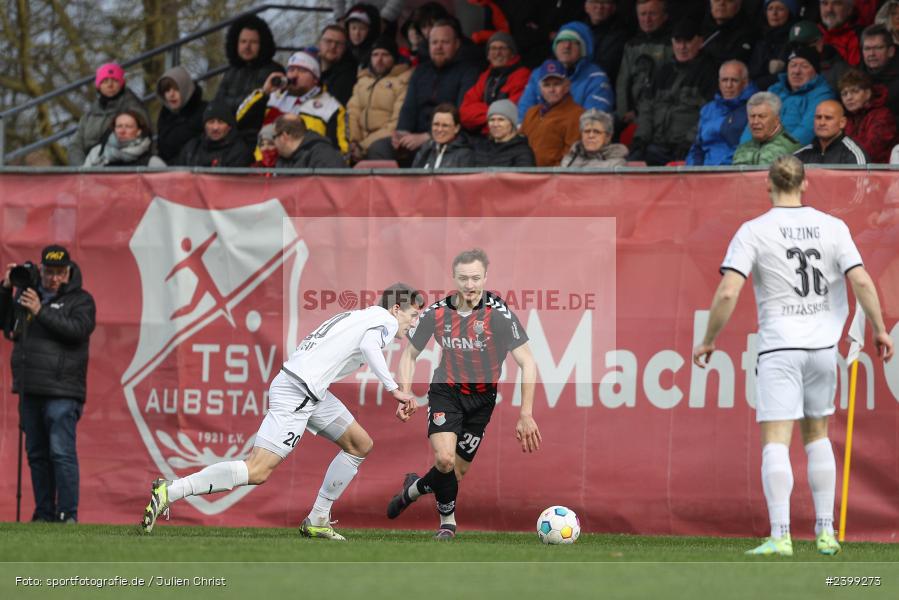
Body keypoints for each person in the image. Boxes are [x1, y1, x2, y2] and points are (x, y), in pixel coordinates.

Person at [692, 155, 894, 557]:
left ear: (768, 185)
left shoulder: (753, 231)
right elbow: (862, 281)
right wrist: (880, 329)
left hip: (780, 346)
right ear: (805, 184)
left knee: (776, 441)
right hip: (822, 348)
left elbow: (729, 291)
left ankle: (781, 534)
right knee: (817, 436)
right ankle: (825, 532)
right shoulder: (833, 227)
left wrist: (708, 338)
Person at [141, 284, 424, 539]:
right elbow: (368, 345)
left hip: (309, 391)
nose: (413, 323)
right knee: (258, 470)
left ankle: (317, 519)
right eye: (412, 315)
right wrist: (394, 389)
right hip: (298, 393)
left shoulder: (360, 316)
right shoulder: (384, 319)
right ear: (396, 308)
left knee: (360, 444)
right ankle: (172, 490)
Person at [386, 249, 541, 539]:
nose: (470, 285)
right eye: (463, 278)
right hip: (447, 390)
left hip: (482, 400)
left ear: (486, 277)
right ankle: (448, 523)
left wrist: (526, 413)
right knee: (444, 460)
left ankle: (414, 488)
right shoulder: (437, 313)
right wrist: (405, 394)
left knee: (454, 473)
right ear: (454, 278)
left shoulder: (499, 314)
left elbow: (527, 362)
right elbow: (409, 355)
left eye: (475, 278)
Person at [0, 246, 96, 523]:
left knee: (61, 451)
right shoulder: (28, 296)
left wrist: (40, 311)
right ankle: (43, 513)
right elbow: (8, 327)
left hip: (63, 390)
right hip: (30, 387)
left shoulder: (81, 300)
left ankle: (67, 513)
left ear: (68, 272)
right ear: (41, 270)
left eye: (58, 273)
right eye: (48, 272)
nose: (53, 278)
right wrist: (7, 290)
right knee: (37, 454)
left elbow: (77, 331)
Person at [371, 19, 480, 162]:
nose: (439, 47)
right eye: (434, 43)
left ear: (456, 44)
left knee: (427, 150)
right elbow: (408, 108)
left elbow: (460, 114)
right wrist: (401, 133)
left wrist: (427, 137)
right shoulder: (421, 71)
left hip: (447, 138)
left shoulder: (468, 72)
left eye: (445, 42)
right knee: (379, 148)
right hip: (414, 137)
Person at [629, 19, 718, 166]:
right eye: (678, 41)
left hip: (689, 149)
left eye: (688, 41)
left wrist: (689, 142)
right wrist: (640, 139)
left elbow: (709, 114)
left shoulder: (710, 73)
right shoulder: (663, 71)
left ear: (700, 41)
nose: (682, 47)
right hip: (655, 147)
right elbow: (646, 109)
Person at [237, 50, 349, 157]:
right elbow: (241, 122)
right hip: (265, 169)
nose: (294, 75)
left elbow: (340, 151)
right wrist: (264, 92)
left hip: (306, 171)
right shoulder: (271, 97)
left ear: (315, 79)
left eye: (302, 70)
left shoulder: (331, 106)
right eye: (291, 70)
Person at [516, 21, 614, 122]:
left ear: (583, 49)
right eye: (561, 40)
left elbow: (594, 119)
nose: (566, 46)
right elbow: (524, 110)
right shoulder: (539, 73)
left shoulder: (596, 77)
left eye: (574, 41)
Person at [742, 47, 836, 146]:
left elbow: (806, 131)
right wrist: (746, 153)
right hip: (764, 156)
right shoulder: (774, 91)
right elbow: (753, 125)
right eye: (792, 65)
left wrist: (772, 153)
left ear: (815, 71)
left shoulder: (822, 95)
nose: (796, 71)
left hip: (793, 157)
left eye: (804, 66)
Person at [68, 63, 150, 165]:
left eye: (115, 81)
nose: (110, 85)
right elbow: (76, 144)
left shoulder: (133, 109)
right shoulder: (91, 113)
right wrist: (81, 168)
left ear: (121, 84)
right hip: (89, 166)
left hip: (119, 167)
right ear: (99, 85)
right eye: (105, 81)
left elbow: (139, 142)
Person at [347, 36, 412, 162]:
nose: (379, 60)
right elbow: (352, 113)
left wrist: (363, 146)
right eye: (375, 55)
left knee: (378, 150)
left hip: (384, 146)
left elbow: (395, 124)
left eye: (385, 55)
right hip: (358, 146)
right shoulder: (362, 81)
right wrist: (353, 142)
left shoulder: (403, 82)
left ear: (394, 58)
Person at [459, 32, 531, 136]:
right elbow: (464, 112)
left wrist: (481, 112)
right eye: (493, 48)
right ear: (488, 55)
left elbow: (509, 114)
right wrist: (495, 115)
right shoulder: (485, 76)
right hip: (482, 138)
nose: (497, 53)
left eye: (502, 48)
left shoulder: (522, 75)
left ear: (512, 53)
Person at [687, 60, 757, 165]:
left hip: (734, 172)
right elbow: (697, 147)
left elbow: (748, 148)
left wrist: (719, 171)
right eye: (724, 80)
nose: (728, 85)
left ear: (745, 83)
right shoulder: (708, 109)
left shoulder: (755, 108)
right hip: (704, 173)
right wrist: (694, 171)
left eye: (734, 80)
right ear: (719, 83)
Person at [616, 0, 674, 126]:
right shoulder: (631, 46)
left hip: (662, 114)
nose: (647, 19)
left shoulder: (673, 45)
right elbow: (623, 81)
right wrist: (624, 111)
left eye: (652, 14)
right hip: (633, 115)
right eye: (643, 14)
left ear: (665, 16)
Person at [213, 15, 283, 118]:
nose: (247, 47)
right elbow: (217, 103)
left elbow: (258, 108)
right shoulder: (231, 71)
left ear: (262, 44)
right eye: (243, 41)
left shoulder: (274, 72)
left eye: (253, 42)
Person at [520, 59, 584, 167]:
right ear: (540, 88)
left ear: (567, 86)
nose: (551, 89)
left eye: (556, 84)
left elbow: (572, 156)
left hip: (554, 179)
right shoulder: (532, 112)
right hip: (526, 175)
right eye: (547, 85)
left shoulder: (577, 114)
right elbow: (519, 146)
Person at [838, 68, 897, 163]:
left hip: (877, 173)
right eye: (844, 94)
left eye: (855, 91)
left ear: (868, 93)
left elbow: (871, 152)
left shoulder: (883, 116)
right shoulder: (845, 118)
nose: (849, 97)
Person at [732, 91, 802, 165]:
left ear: (776, 119)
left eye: (761, 116)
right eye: (752, 116)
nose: (755, 122)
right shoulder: (742, 148)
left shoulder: (788, 148)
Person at [174, 103, 254, 168]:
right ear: (204, 125)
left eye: (220, 122)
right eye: (211, 122)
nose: (215, 127)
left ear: (229, 126)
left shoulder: (239, 151)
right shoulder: (191, 148)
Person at [155, 66, 207, 164]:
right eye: (167, 90)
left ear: (185, 88)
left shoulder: (204, 112)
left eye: (176, 89)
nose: (171, 94)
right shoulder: (164, 116)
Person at [794, 99, 867, 164]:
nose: (822, 123)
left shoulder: (853, 154)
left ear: (842, 122)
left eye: (828, 118)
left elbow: (862, 179)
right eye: (818, 117)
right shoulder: (800, 155)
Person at [83, 110, 165, 167]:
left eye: (128, 127)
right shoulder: (97, 152)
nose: (122, 131)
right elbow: (84, 183)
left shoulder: (152, 162)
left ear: (139, 131)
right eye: (119, 126)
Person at [748, 0, 799, 91]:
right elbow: (752, 72)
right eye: (770, 9)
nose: (774, 13)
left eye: (780, 9)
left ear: (790, 13)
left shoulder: (795, 41)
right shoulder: (760, 39)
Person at [471, 99, 536, 167]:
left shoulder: (523, 152)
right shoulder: (480, 148)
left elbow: (524, 177)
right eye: (492, 120)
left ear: (511, 123)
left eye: (501, 119)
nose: (495, 124)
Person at [582, 0, 634, 85]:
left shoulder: (621, 35)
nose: (599, 6)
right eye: (595, 1)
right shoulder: (576, 32)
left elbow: (607, 68)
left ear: (613, 8)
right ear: (586, 6)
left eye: (605, 2)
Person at [411, 104, 473, 169]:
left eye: (445, 125)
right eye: (436, 124)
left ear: (456, 128)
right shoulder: (425, 150)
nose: (439, 129)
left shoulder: (465, 155)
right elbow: (414, 177)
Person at [274, 114, 346, 169]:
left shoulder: (325, 156)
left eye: (274, 137)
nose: (274, 143)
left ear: (285, 136)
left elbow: (337, 186)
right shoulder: (283, 158)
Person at [561, 108, 628, 167]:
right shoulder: (569, 160)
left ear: (608, 137)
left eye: (597, 132)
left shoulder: (616, 164)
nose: (591, 136)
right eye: (587, 131)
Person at [701, 0, 758, 66]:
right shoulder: (700, 29)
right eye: (716, 0)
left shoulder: (748, 33)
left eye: (729, 0)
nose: (721, 3)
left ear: (738, 5)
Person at [859, 24, 899, 119]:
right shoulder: (855, 79)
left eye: (878, 48)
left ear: (891, 51)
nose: (872, 54)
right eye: (867, 49)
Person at [318, 24, 359, 106]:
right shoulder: (308, 68)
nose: (333, 46)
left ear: (344, 48)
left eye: (339, 43)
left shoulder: (349, 76)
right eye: (329, 41)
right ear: (320, 43)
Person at [819, 0, 861, 66]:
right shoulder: (813, 31)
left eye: (836, 3)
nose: (829, 9)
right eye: (825, 3)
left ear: (849, 9)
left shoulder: (858, 37)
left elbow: (853, 74)